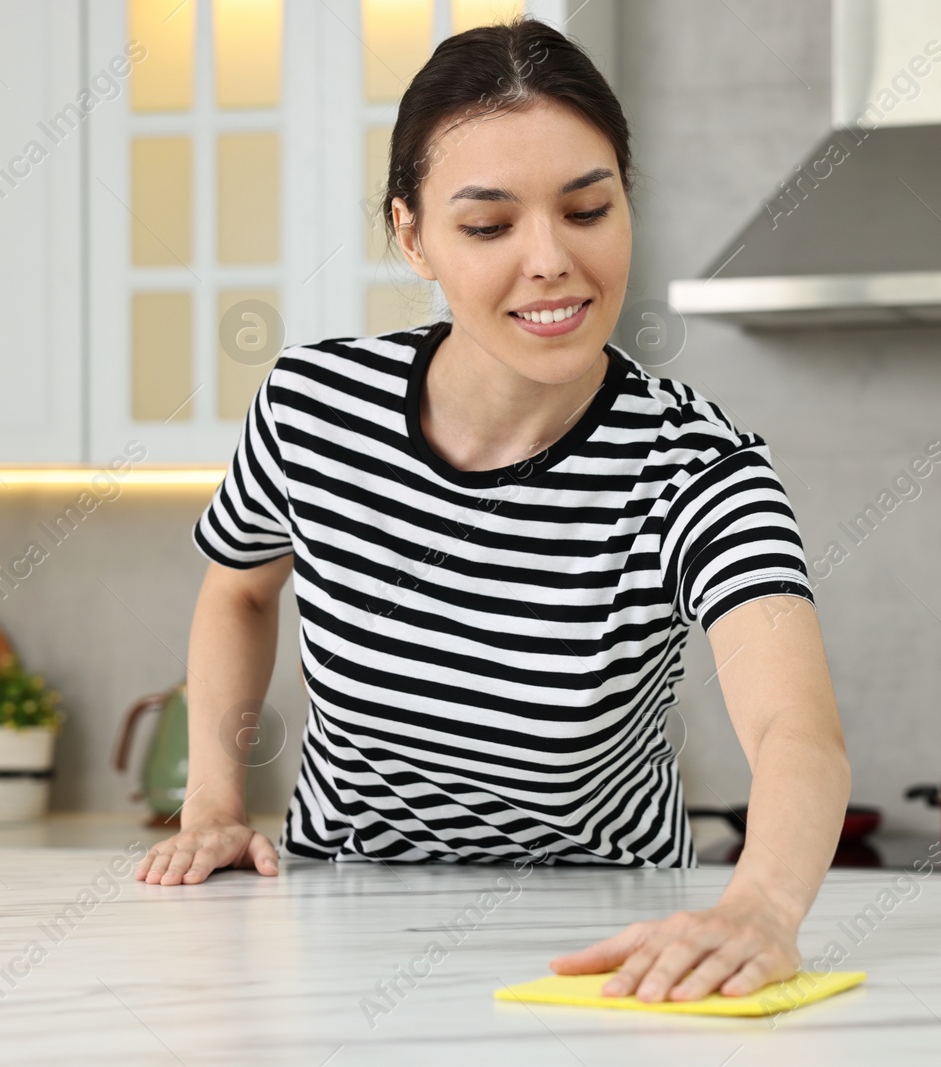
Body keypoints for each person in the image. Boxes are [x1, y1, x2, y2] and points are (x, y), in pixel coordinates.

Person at [133, 15, 850, 1003]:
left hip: (599, 945)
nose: (551, 259)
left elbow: (793, 728)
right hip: (336, 924)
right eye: (488, 224)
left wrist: (763, 905)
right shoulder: (310, 411)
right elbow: (241, 592)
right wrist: (212, 800)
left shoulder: (698, 468)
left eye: (587, 210)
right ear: (411, 234)